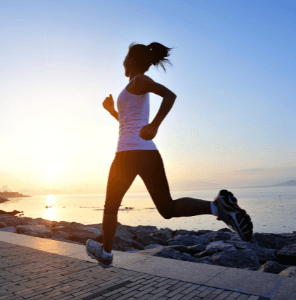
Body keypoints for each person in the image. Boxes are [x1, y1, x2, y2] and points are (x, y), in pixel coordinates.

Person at [86, 42, 253, 268]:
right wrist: (112, 112)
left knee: (111, 205)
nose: (123, 62)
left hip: (127, 155)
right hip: (144, 153)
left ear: (132, 60)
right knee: (167, 209)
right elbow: (127, 124)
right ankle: (217, 207)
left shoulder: (139, 80)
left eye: (125, 57)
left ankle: (106, 254)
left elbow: (169, 95)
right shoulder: (130, 88)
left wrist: (155, 125)